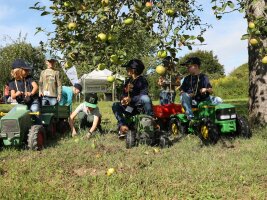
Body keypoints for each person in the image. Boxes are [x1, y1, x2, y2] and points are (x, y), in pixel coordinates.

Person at [112, 59, 154, 137]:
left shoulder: (142, 80)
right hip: (129, 108)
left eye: (128, 68)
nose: (126, 69)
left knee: (145, 98)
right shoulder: (128, 81)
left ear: (134, 70)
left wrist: (131, 99)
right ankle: (123, 126)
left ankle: (151, 119)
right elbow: (123, 94)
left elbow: (144, 95)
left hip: (138, 108)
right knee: (115, 105)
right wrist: (123, 99)